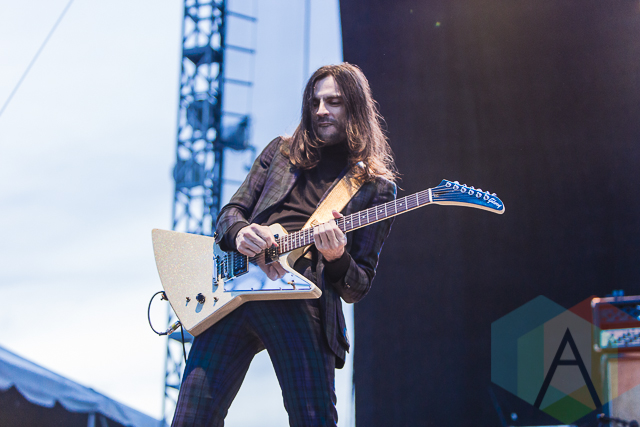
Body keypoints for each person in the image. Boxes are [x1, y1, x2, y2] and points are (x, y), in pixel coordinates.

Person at [171, 63, 397, 427]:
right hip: (233, 292)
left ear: (355, 107)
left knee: (313, 420)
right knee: (191, 416)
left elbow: (358, 285)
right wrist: (240, 232)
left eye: (334, 102)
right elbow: (230, 213)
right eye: (315, 102)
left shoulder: (375, 187)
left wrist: (336, 256)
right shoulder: (280, 152)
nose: (321, 110)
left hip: (301, 300)